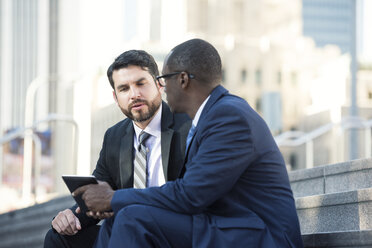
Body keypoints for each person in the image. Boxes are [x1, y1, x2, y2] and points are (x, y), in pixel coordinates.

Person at [74, 39, 304, 247]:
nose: (162, 89)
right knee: (120, 219)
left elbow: (191, 195)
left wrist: (114, 198)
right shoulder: (211, 116)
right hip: (223, 227)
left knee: (133, 217)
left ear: (183, 80)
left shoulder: (229, 117)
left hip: (261, 238)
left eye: (163, 79)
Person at [43, 50, 191, 248]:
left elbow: (193, 195)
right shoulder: (114, 136)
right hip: (126, 231)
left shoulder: (188, 127)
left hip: (174, 233)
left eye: (141, 84)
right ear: (115, 97)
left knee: (129, 225)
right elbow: (98, 193)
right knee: (58, 238)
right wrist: (70, 216)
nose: (134, 94)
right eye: (124, 88)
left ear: (159, 84)